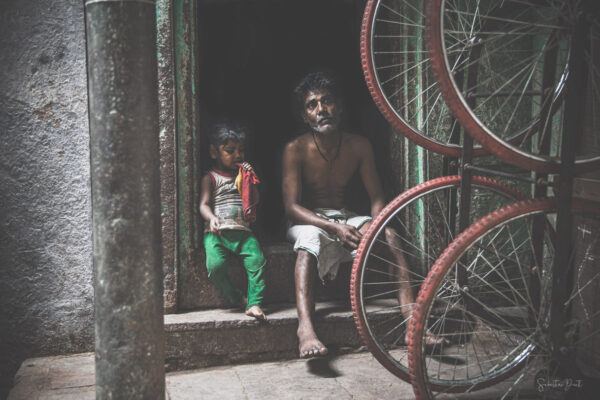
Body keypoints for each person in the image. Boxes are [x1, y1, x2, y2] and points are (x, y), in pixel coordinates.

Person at [282, 71, 416, 358]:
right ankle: (305, 329)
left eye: (327, 101)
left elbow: (377, 196)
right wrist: (333, 228)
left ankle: (413, 325)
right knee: (307, 247)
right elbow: (291, 207)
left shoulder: (359, 145)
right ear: (305, 116)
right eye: (312, 105)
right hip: (308, 218)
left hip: (344, 215)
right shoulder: (295, 149)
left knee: (390, 237)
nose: (321, 110)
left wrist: (375, 226)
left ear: (340, 107)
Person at [199, 123, 267, 321]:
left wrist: (250, 179)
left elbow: (255, 200)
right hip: (217, 234)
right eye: (230, 151)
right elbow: (203, 204)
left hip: (243, 232)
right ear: (214, 152)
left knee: (257, 261)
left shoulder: (243, 176)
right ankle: (238, 298)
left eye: (241, 150)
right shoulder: (210, 178)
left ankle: (254, 304)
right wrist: (211, 218)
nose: (237, 155)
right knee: (215, 267)